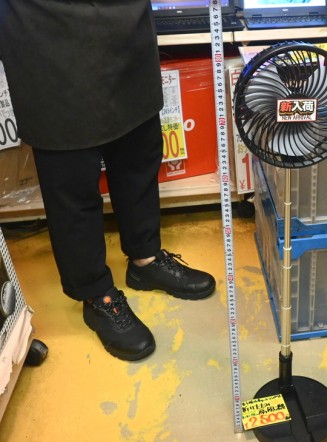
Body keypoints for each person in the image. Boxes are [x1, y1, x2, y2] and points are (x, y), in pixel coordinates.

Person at [0, 1, 216, 361]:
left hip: (125, 24)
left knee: (139, 151)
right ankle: (95, 294)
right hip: (46, 28)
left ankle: (146, 260)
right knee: (71, 176)